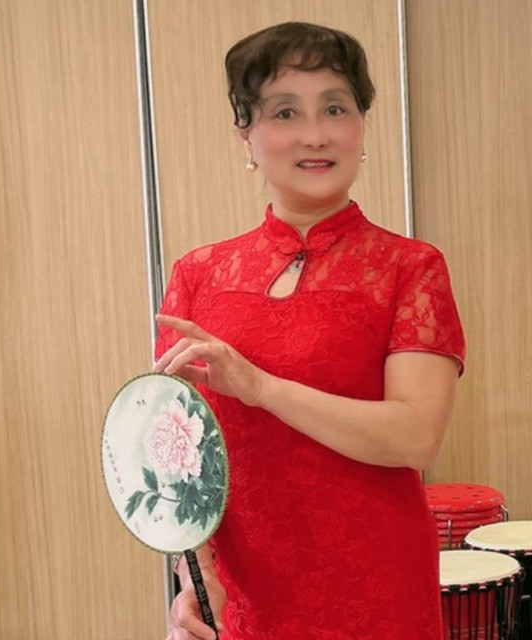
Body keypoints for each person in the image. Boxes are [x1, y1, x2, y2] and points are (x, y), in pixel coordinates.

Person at [153, 21, 465, 640]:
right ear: (247, 134)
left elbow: (415, 437)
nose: (315, 134)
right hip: (244, 592)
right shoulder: (197, 273)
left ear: (361, 126)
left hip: (375, 585)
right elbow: (178, 457)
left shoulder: (410, 267)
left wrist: (262, 388)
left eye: (335, 108)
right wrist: (196, 576)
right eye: (285, 112)